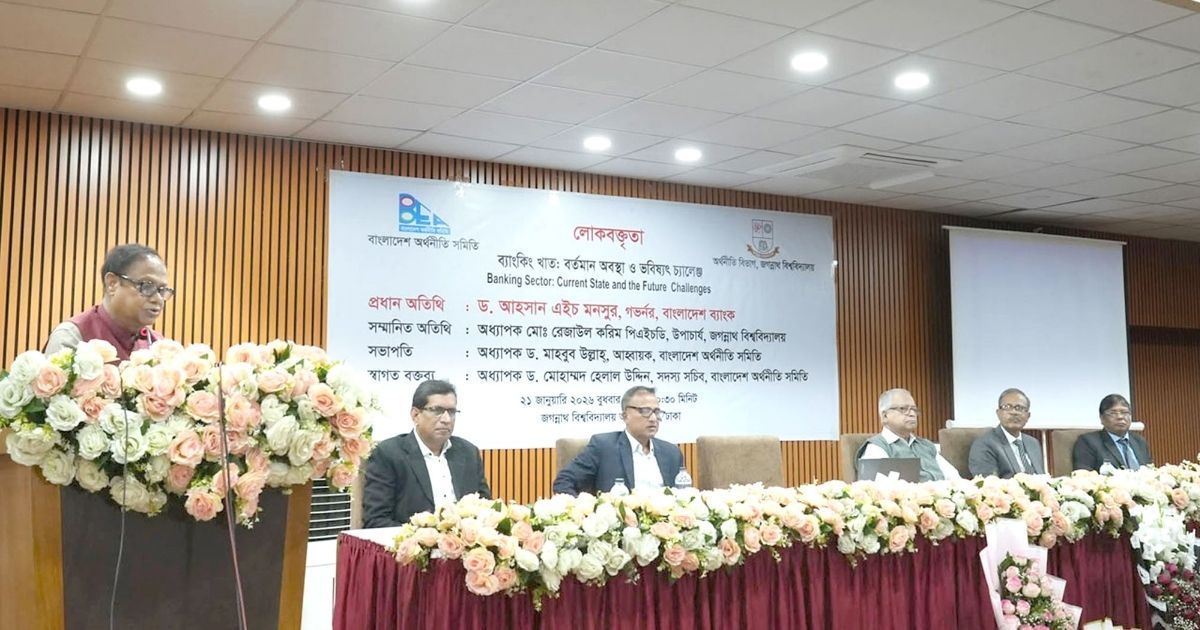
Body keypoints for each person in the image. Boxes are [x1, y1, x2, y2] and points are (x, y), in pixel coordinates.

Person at [361, 380, 491, 528]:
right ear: (415, 415)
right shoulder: (389, 454)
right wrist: (423, 538)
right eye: (437, 411)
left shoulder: (468, 453)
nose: (446, 419)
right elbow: (376, 520)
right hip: (412, 541)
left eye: (451, 412)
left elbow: (486, 510)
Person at [44, 243, 171, 360]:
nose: (158, 299)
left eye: (162, 290)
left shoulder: (158, 346)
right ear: (112, 284)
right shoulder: (72, 337)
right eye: (147, 286)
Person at [552, 385, 684, 496]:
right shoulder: (603, 447)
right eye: (645, 411)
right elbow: (564, 481)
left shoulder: (671, 453)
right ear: (625, 416)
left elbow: (683, 496)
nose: (653, 418)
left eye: (657, 412)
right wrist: (583, 511)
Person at [856, 388, 961, 482]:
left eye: (914, 409)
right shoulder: (877, 447)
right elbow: (878, 489)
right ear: (885, 416)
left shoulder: (926, 446)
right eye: (903, 409)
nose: (912, 414)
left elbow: (954, 478)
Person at [967, 388, 1046, 478]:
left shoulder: (1033, 443)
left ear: (1028, 416)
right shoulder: (984, 444)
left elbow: (1041, 477)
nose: (1014, 412)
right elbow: (988, 483)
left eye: (1020, 408)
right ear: (998, 413)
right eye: (1007, 407)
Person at [1072, 394, 1152, 472]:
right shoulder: (1087, 442)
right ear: (1102, 418)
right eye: (1113, 413)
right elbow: (1083, 475)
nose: (1120, 417)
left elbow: (1150, 470)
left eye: (1125, 412)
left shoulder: (1139, 441)